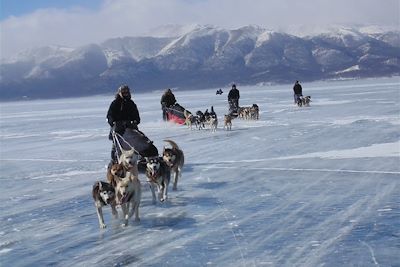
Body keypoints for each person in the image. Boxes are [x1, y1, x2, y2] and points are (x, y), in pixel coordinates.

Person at [107, 84, 140, 163]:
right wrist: (112, 122)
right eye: (123, 92)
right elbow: (110, 115)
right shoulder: (115, 103)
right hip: (118, 127)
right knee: (116, 145)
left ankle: (137, 159)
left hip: (130, 126)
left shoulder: (131, 103)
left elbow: (136, 115)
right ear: (119, 93)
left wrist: (136, 121)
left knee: (136, 143)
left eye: (126, 92)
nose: (125, 94)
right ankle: (114, 161)